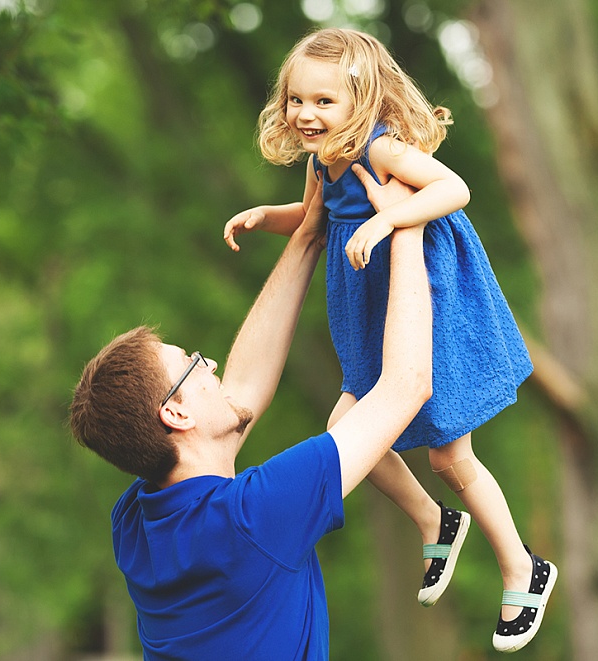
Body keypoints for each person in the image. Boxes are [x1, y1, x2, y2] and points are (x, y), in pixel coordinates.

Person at [222, 27, 556, 653]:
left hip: (426, 303)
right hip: (371, 312)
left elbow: (453, 189)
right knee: (350, 439)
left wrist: (389, 219)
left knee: (449, 458)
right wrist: (269, 218)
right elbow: (320, 217)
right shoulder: (326, 163)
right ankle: (436, 521)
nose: (306, 114)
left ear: (362, 102)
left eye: (325, 101)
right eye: (297, 100)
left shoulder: (384, 151)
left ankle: (522, 567)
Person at [69, 175, 432, 659]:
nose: (210, 364)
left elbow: (241, 392)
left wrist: (308, 233)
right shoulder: (253, 516)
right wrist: (406, 223)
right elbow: (405, 386)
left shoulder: (137, 525)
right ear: (175, 412)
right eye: (192, 364)